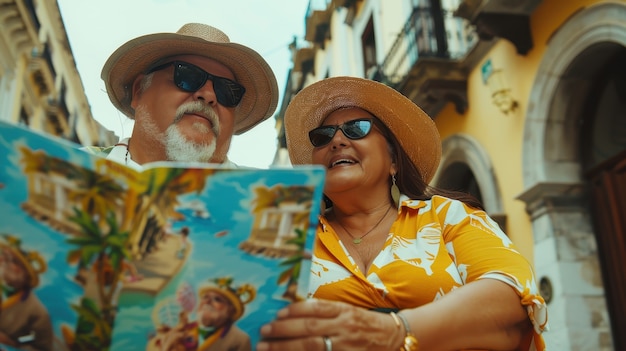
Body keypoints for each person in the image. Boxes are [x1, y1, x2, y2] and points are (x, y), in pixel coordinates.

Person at [257, 76, 548, 351]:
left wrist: (395, 330)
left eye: (357, 128)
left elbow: (512, 300)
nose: (337, 141)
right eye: (322, 136)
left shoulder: (447, 216)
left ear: (394, 160)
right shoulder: (288, 239)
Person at [86, 22, 279, 168]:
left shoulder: (272, 205)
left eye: (226, 91)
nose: (209, 95)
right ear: (139, 90)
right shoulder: (64, 175)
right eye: (187, 76)